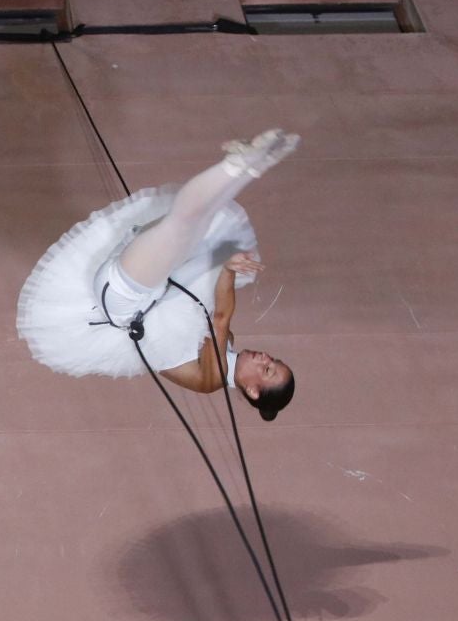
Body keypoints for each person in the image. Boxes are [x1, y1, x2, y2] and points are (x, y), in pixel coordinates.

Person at [16, 130, 298, 420]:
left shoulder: (211, 379)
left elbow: (220, 318)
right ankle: (243, 166)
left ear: (253, 390)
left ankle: (241, 167)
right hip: (153, 282)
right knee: (196, 221)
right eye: (273, 360)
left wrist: (226, 269)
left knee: (183, 223)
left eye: (267, 369)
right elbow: (207, 305)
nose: (265, 357)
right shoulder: (227, 344)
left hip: (127, 301)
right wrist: (224, 265)